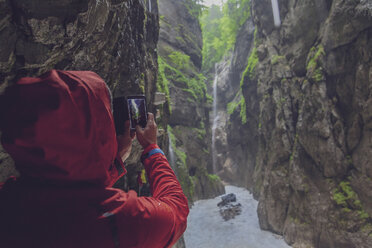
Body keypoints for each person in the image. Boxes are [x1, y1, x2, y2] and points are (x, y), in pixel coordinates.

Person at [0, 70, 189, 248]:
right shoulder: (122, 221)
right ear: (98, 132)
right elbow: (177, 211)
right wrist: (152, 148)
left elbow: (65, 188)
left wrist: (111, 163)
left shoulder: (9, 201)